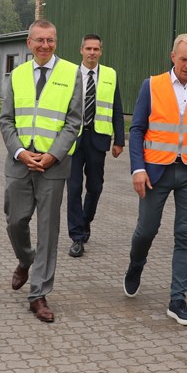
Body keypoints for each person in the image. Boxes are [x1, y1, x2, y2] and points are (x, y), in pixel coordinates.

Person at [123, 33, 187, 326]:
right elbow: (137, 130)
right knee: (146, 230)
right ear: (172, 57)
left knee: (185, 236)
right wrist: (137, 169)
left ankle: (178, 300)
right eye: (184, 59)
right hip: (155, 172)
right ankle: (136, 264)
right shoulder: (152, 85)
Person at [0, 19, 83, 323]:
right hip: (20, 163)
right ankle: (25, 259)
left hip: (53, 166)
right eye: (39, 40)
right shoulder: (18, 74)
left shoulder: (72, 73)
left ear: (56, 42)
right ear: (29, 43)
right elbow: (6, 120)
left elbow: (74, 121)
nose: (45, 45)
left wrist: (52, 155)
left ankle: (38, 294)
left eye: (50, 40)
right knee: (15, 221)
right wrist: (20, 152)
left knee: (48, 231)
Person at [66, 34, 125, 257]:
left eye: (96, 49)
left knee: (95, 187)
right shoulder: (70, 74)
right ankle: (76, 236)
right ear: (81, 50)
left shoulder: (110, 74)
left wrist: (119, 140)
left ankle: (85, 221)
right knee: (73, 188)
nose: (92, 52)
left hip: (98, 138)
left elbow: (116, 108)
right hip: (74, 139)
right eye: (88, 48)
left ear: (101, 51)